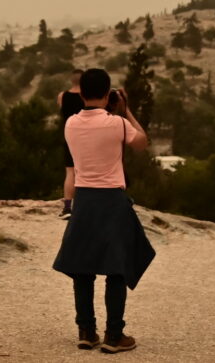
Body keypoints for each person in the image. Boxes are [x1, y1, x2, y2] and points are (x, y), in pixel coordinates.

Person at [53, 68, 155, 354]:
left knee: (82, 268)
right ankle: (114, 335)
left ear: (81, 93)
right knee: (116, 269)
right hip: (111, 199)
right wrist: (126, 110)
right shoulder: (118, 124)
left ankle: (86, 331)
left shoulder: (71, 124)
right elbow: (141, 143)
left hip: (83, 199)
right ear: (108, 92)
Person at [56, 68, 84, 219]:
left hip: (69, 136)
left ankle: (67, 207)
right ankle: (83, 206)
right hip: (86, 136)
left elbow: (62, 112)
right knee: (85, 171)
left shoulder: (62, 96)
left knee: (70, 171)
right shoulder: (87, 97)